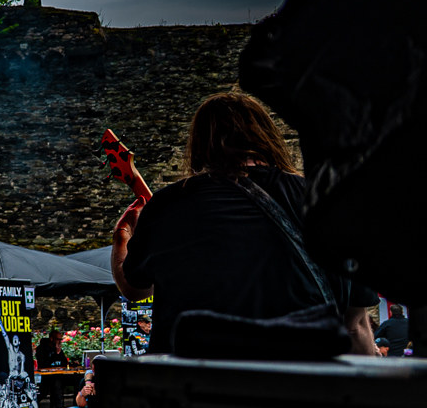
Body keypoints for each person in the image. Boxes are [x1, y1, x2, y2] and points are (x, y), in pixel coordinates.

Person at [111, 92, 377, 355]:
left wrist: (122, 235)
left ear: (199, 144)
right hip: (300, 373)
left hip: (196, 375)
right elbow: (354, 325)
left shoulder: (167, 203)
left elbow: (135, 289)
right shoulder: (322, 199)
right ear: (266, 137)